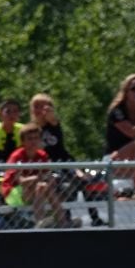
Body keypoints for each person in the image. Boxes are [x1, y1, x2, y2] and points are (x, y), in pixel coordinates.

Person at [29, 92, 104, 227]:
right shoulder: (31, 130)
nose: (40, 110)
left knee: (83, 179)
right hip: (46, 165)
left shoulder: (53, 124)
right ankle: (65, 218)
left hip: (64, 161)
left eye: (43, 106)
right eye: (36, 106)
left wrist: (49, 112)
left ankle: (95, 217)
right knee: (62, 186)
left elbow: (53, 119)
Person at [0, 123, 63, 228]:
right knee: (41, 186)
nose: (33, 141)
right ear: (23, 141)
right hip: (13, 193)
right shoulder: (17, 156)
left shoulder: (42, 155)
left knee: (44, 186)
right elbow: (21, 181)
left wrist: (47, 179)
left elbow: (49, 176)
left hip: (35, 191)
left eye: (36, 138)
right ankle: (40, 221)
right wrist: (39, 178)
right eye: (29, 139)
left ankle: (63, 222)